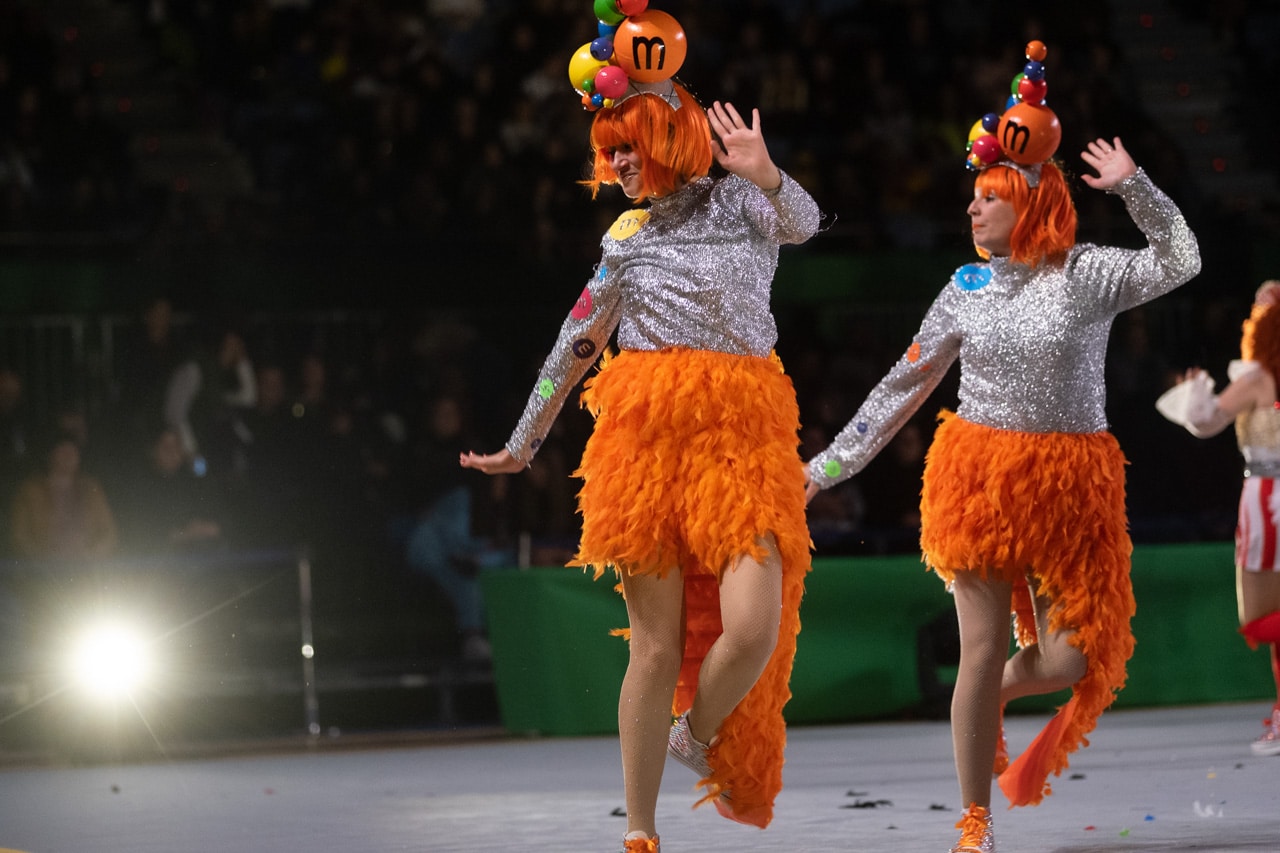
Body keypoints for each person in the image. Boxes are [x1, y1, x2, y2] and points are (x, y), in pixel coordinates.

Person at [803, 42, 1200, 853]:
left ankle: (982, 700)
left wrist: (1135, 187)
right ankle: (975, 819)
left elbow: (1182, 259)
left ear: (1029, 201)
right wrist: (826, 467)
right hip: (978, 480)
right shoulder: (965, 286)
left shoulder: (1086, 274)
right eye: (973, 197)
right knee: (979, 651)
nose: (973, 209)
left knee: (1068, 661)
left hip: (1071, 483)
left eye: (989, 198)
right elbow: (899, 389)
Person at [460, 10, 821, 848]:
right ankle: (641, 831)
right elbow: (577, 341)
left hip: (741, 439)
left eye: (627, 147)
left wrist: (769, 175)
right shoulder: (625, 237)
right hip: (645, 446)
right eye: (609, 151)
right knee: (652, 649)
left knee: (754, 626)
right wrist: (524, 441)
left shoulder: (741, 199)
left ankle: (696, 734)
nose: (616, 164)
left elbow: (805, 223)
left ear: (666, 136)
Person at [1156, 279, 1280, 757]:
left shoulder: (1257, 380)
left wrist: (1192, 394)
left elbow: (1206, 422)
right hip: (1265, 494)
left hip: (1267, 498)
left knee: (1262, 615)